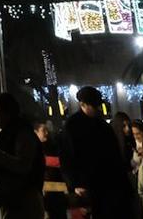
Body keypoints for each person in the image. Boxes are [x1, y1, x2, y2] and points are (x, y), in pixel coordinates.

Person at [59, 87, 130, 219]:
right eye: (94, 106)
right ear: (83, 104)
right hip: (87, 183)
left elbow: (114, 155)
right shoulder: (72, 126)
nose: (97, 109)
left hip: (106, 182)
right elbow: (67, 157)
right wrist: (74, 184)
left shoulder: (102, 125)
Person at [33, 121, 68, 219]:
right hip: (45, 190)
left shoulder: (52, 146)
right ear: (35, 132)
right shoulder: (34, 148)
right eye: (43, 130)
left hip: (57, 188)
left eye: (47, 130)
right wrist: (62, 162)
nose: (47, 133)